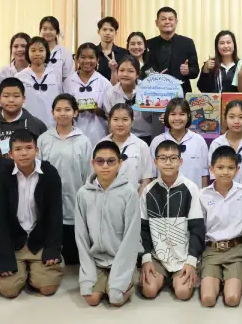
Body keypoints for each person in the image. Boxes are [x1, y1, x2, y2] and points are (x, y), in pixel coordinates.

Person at [0, 129, 64, 299]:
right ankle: (23, 271)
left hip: (40, 241)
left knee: (47, 288)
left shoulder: (50, 173)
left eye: (28, 148)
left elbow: (55, 213)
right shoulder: (3, 176)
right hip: (14, 243)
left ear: (36, 150)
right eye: (18, 149)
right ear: (10, 154)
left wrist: (53, 248)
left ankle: (33, 272)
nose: (24, 153)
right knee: (9, 290)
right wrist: (5, 254)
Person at [75, 140, 140, 307]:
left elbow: (131, 238)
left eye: (111, 161)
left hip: (120, 258)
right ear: (93, 163)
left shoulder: (129, 192)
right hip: (96, 260)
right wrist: (88, 273)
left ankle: (121, 281)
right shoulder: (83, 193)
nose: (105, 166)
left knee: (116, 299)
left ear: (120, 163)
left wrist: (119, 278)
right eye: (100, 161)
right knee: (91, 299)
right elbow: (81, 237)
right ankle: (103, 282)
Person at [140, 140, 206, 301]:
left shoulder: (191, 188)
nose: (168, 162)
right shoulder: (148, 191)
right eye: (163, 158)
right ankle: (162, 276)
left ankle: (175, 278)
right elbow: (143, 228)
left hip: (183, 257)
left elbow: (197, 228)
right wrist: (146, 259)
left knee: (183, 293)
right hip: (158, 256)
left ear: (180, 161)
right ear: (155, 162)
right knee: (149, 291)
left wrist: (191, 260)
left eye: (173, 158)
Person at [37, 94, 93, 266]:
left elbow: (89, 174)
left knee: (73, 256)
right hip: (49, 200)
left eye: (67, 109)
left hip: (75, 199)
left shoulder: (83, 141)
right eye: (58, 110)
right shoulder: (44, 139)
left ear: (75, 112)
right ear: (52, 113)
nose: (62, 113)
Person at [199, 146, 242, 307]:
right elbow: (199, 228)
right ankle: (216, 279)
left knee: (232, 299)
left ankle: (228, 280)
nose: (225, 172)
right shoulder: (202, 195)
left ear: (237, 169)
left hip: (236, 250)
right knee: (208, 299)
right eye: (220, 167)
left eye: (230, 168)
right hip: (211, 250)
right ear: (211, 169)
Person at [150, 98, 209, 187]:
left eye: (182, 114)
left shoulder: (199, 140)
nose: (177, 118)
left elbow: (204, 173)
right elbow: (153, 174)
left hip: (193, 194)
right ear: (166, 116)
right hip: (165, 194)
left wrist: (202, 194)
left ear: (188, 116)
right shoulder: (157, 141)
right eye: (173, 114)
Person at [0, 77, 48, 158]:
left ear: (23, 98)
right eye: (6, 96)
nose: (11, 100)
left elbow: (44, 155)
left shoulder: (37, 125)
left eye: (16, 96)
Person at [99, 104, 154, 193]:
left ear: (132, 121)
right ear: (109, 121)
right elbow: (95, 176)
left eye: (125, 119)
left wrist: (137, 198)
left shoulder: (141, 146)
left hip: (134, 197)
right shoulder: (101, 145)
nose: (120, 124)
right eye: (115, 119)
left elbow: (147, 178)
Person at [64, 43, 112, 144]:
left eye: (91, 57)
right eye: (83, 57)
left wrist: (97, 110)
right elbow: (63, 109)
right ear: (77, 59)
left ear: (97, 60)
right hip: (73, 134)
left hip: (99, 135)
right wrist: (75, 110)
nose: (87, 61)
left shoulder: (104, 83)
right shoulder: (68, 82)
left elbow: (110, 114)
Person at [145, 7, 199, 93]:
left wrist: (188, 71)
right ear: (156, 23)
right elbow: (145, 68)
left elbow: (195, 70)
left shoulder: (187, 43)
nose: (167, 22)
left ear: (176, 22)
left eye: (170, 19)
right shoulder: (148, 44)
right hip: (155, 92)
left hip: (181, 92)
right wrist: (154, 76)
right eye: (163, 19)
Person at [208, 99, 242, 186]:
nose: (236, 122)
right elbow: (215, 175)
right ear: (225, 118)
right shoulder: (216, 144)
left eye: (241, 117)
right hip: (222, 192)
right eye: (231, 117)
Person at [103, 55, 154, 144]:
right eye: (122, 70)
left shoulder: (148, 90)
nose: (125, 74)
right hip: (120, 137)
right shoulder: (110, 93)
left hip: (146, 136)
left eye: (130, 71)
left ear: (137, 74)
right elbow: (109, 121)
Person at [15, 36, 64, 129]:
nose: (37, 54)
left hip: (52, 125)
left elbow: (61, 100)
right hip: (27, 125)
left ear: (47, 52)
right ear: (27, 53)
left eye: (41, 50)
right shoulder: (19, 77)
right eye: (33, 50)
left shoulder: (55, 74)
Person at [39, 16, 74, 82]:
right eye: (44, 29)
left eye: (51, 29)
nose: (47, 32)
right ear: (40, 30)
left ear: (57, 32)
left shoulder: (65, 53)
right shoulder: (35, 52)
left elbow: (68, 78)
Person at [95, 17, 129, 82]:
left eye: (111, 30)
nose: (107, 33)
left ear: (115, 33)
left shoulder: (124, 53)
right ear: (98, 32)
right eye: (104, 29)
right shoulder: (93, 52)